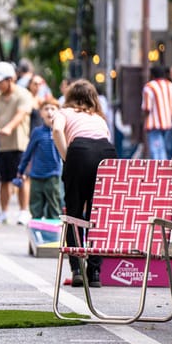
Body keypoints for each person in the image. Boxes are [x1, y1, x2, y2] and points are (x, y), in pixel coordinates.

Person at [51, 79, 117, 287]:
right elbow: (105, 138)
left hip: (79, 152)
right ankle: (95, 271)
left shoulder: (64, 112)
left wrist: (66, 157)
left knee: (74, 213)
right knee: (98, 214)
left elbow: (56, 131)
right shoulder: (98, 117)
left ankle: (77, 269)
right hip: (107, 153)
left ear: (69, 97)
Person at [0, 62, 33, 225]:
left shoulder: (23, 94)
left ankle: (23, 211)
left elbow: (21, 114)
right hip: (2, 145)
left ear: (10, 79)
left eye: (1, 81)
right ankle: (4, 213)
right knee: (4, 180)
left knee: (22, 177)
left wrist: (7, 128)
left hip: (19, 143)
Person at [17, 98, 63, 220]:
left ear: (58, 112)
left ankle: (53, 237)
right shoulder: (37, 132)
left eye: (53, 108)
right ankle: (35, 237)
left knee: (54, 209)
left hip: (53, 176)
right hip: (36, 176)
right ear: (41, 113)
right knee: (36, 209)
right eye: (46, 109)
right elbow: (28, 153)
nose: (49, 112)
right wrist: (21, 170)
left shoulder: (60, 132)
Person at [142, 64, 172, 160]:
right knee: (166, 150)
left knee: (157, 152)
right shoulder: (171, 85)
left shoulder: (149, 87)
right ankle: (168, 171)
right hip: (169, 123)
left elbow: (147, 108)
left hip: (154, 124)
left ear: (152, 75)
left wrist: (144, 120)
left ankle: (160, 173)